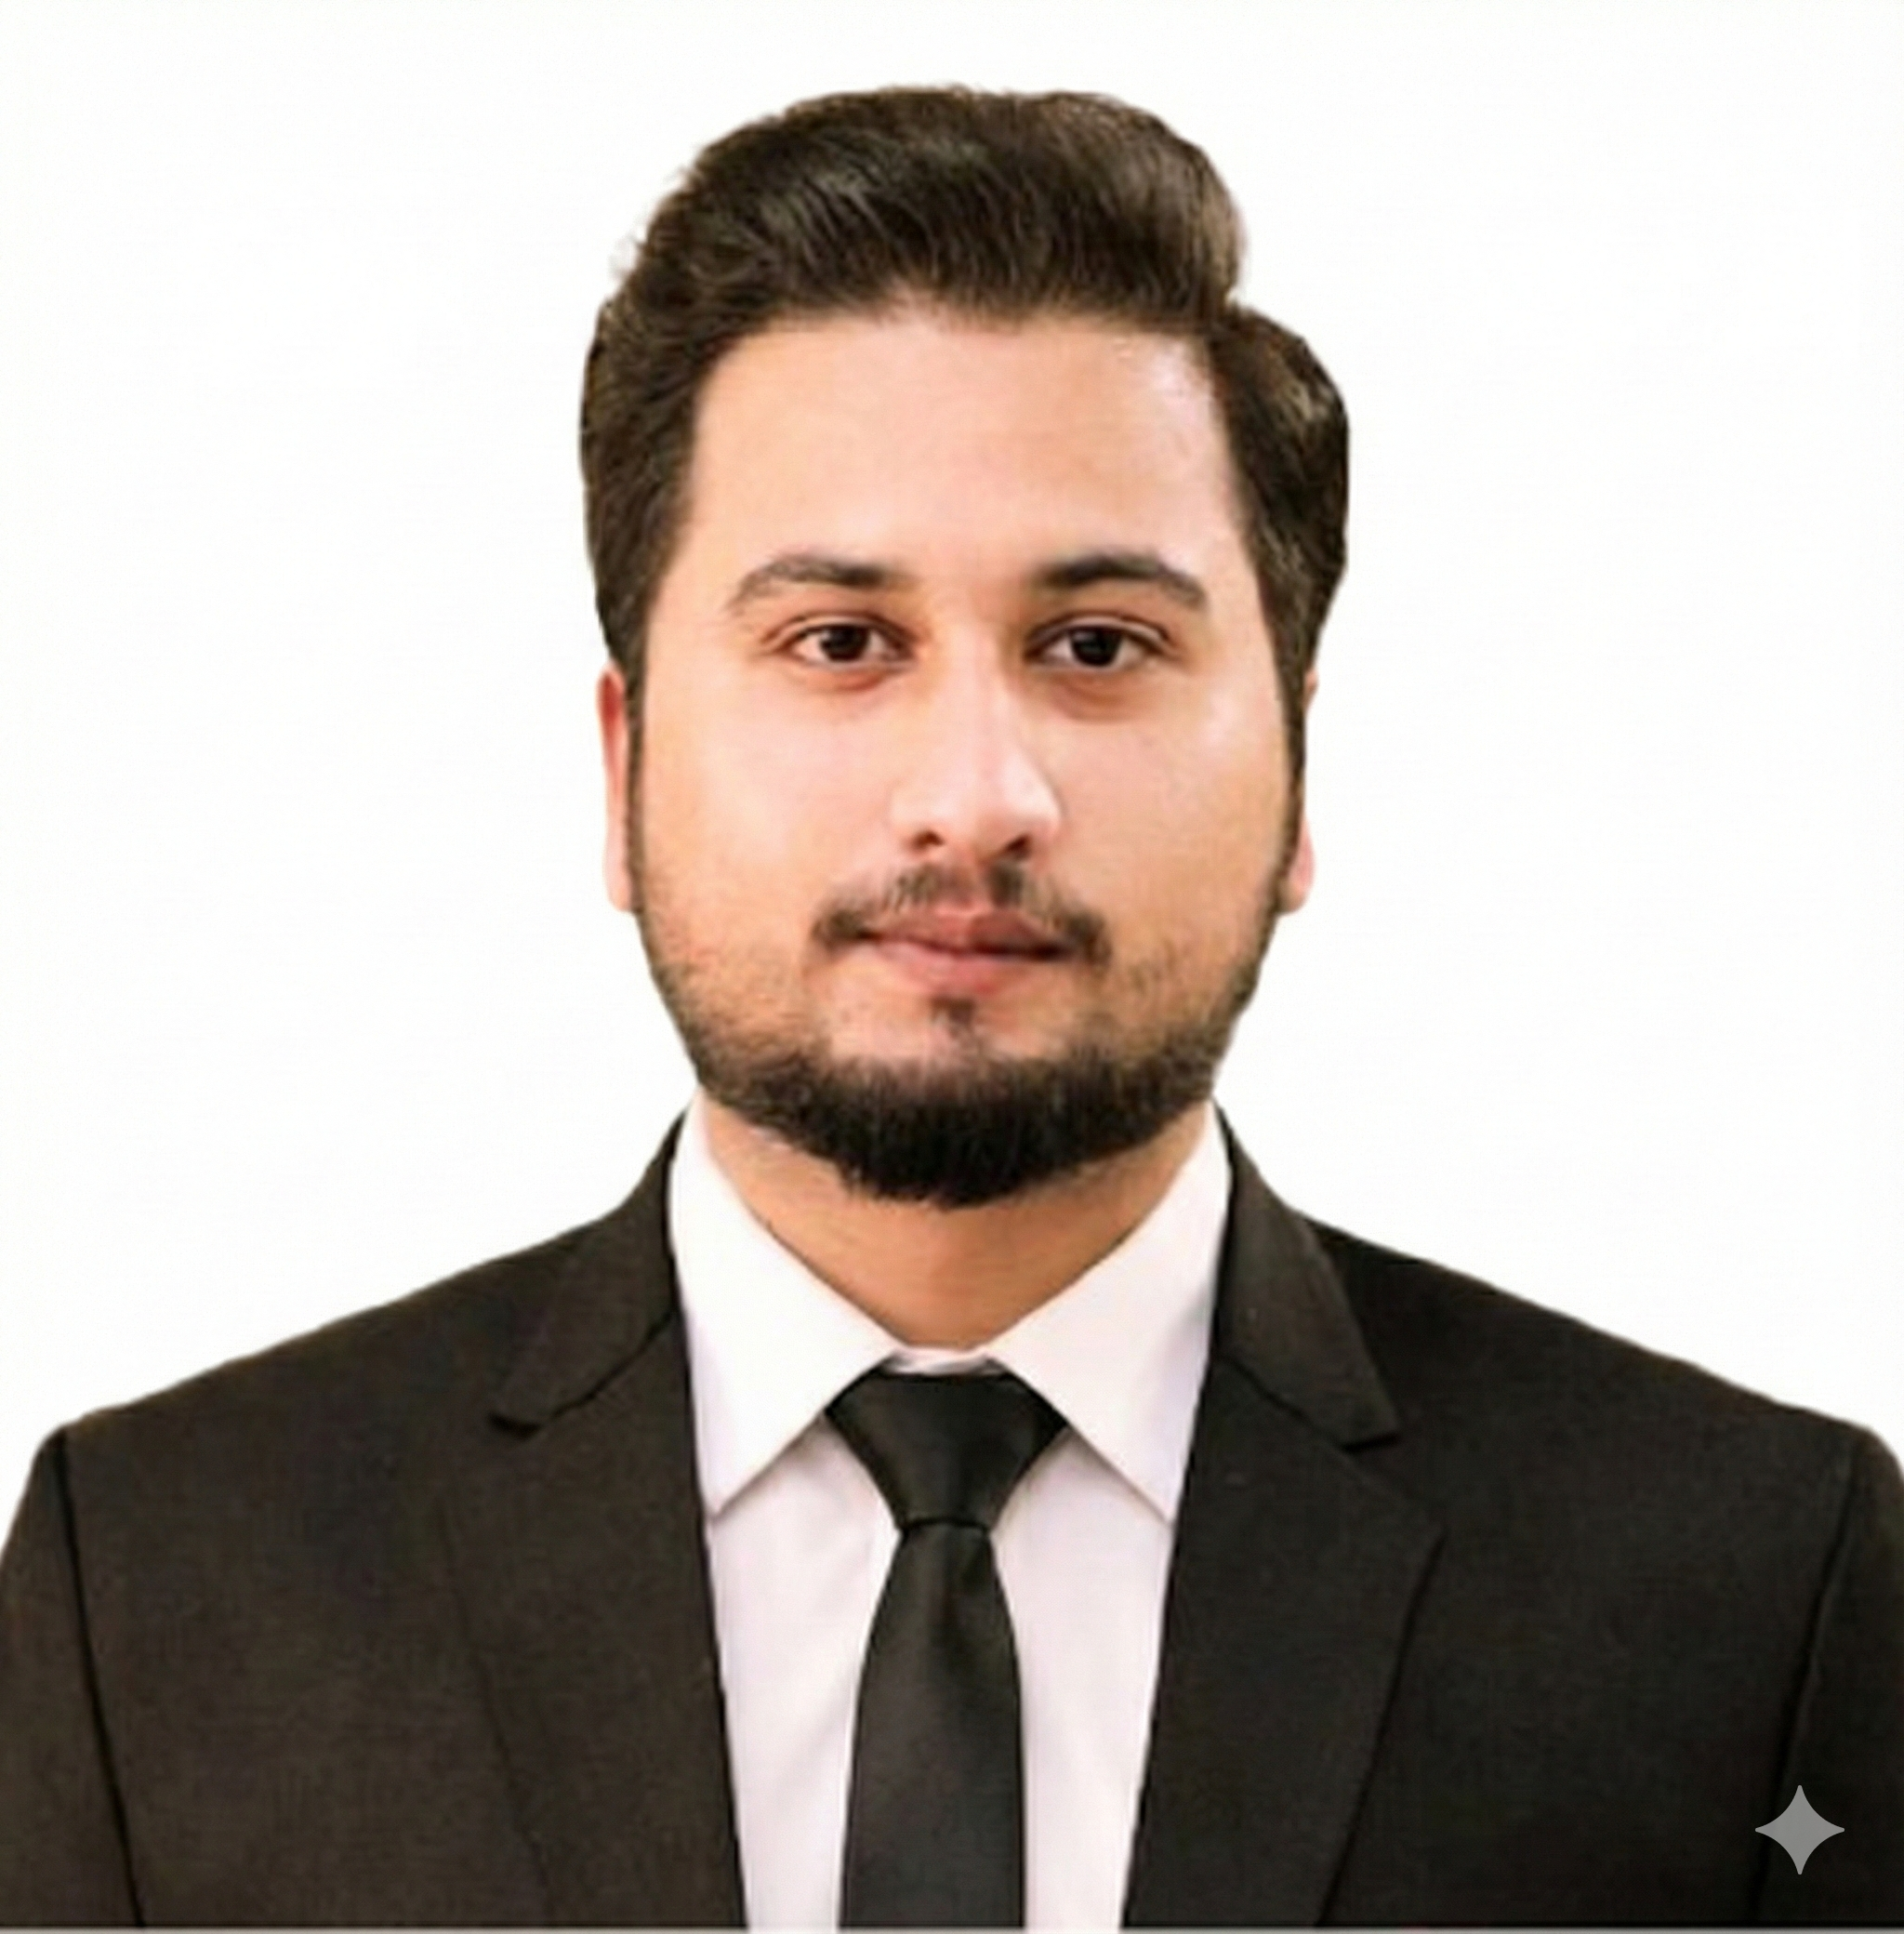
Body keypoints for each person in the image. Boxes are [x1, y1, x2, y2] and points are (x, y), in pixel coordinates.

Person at [0, 85, 1897, 1928]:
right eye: (839, 642)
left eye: (1099, 646)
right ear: (625, 762)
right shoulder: (157, 1586)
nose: (978, 793)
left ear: (1298, 771)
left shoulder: (1753, 1590)